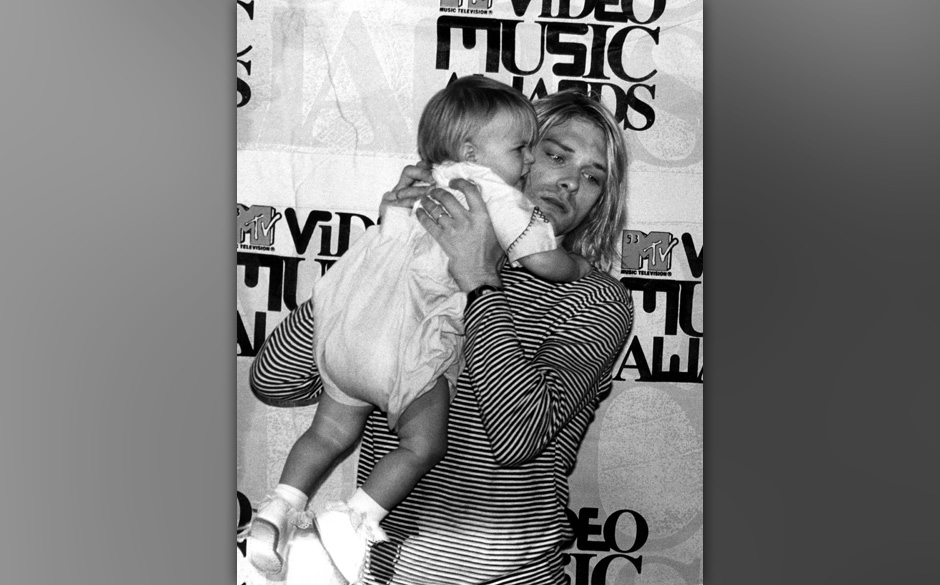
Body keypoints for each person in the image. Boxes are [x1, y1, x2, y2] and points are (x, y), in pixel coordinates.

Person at [250, 88, 634, 585]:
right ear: (502, 151)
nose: (568, 182)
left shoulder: (594, 296)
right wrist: (383, 249)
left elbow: (518, 437)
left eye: (592, 177)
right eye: (555, 154)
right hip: (384, 571)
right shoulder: (418, 250)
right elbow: (275, 381)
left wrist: (478, 280)